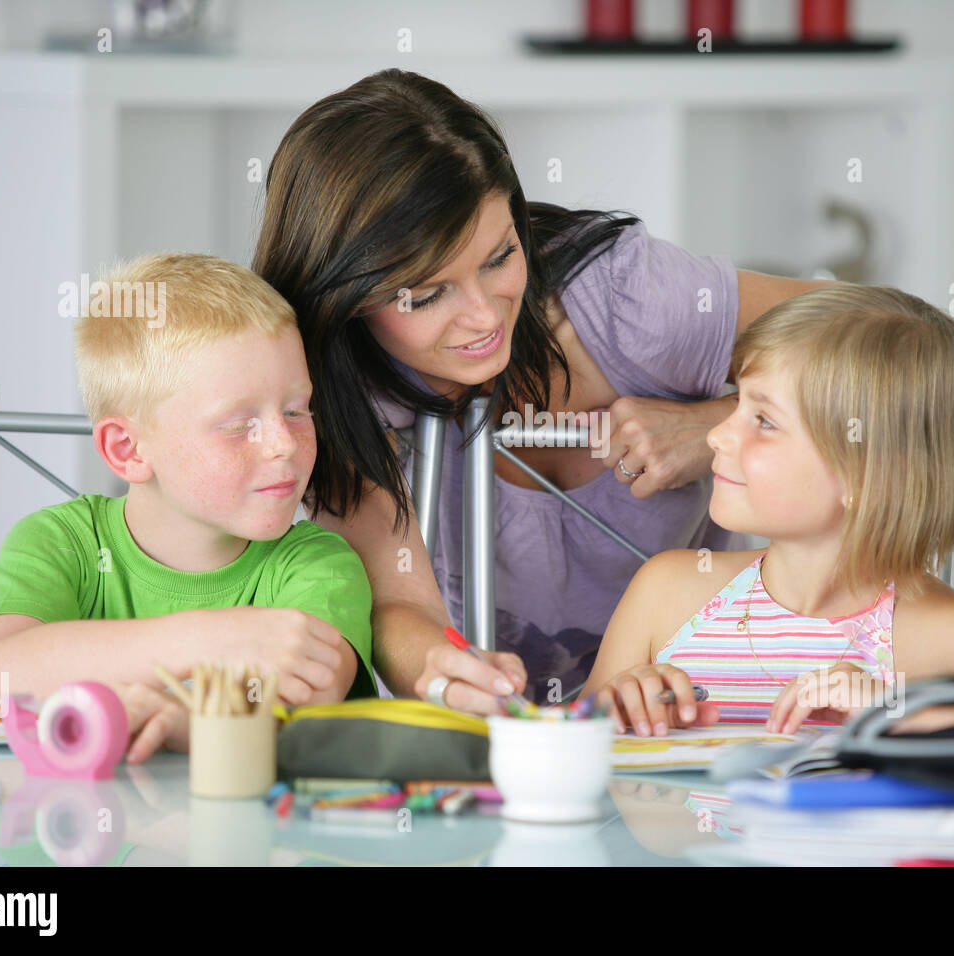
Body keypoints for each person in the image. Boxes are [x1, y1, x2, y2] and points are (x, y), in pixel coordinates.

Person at [252, 68, 830, 713]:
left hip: (697, 711)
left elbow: (897, 340)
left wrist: (722, 422)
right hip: (497, 738)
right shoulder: (334, 382)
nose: (484, 315)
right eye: (426, 293)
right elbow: (396, 598)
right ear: (346, 298)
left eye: (499, 257)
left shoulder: (633, 303)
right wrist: (444, 672)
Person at [581, 285, 954, 737]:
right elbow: (575, 735)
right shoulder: (666, 593)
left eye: (764, 421)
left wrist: (912, 713)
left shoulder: (938, 633)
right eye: (737, 405)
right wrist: (613, 708)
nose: (720, 435)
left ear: (864, 474)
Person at [0, 253, 376, 762]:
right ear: (128, 449)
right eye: (238, 422)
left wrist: (178, 721)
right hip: (64, 829)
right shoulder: (62, 541)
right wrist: (212, 640)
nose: (284, 443)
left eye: (298, 409)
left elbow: (298, 714)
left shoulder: (319, 563)